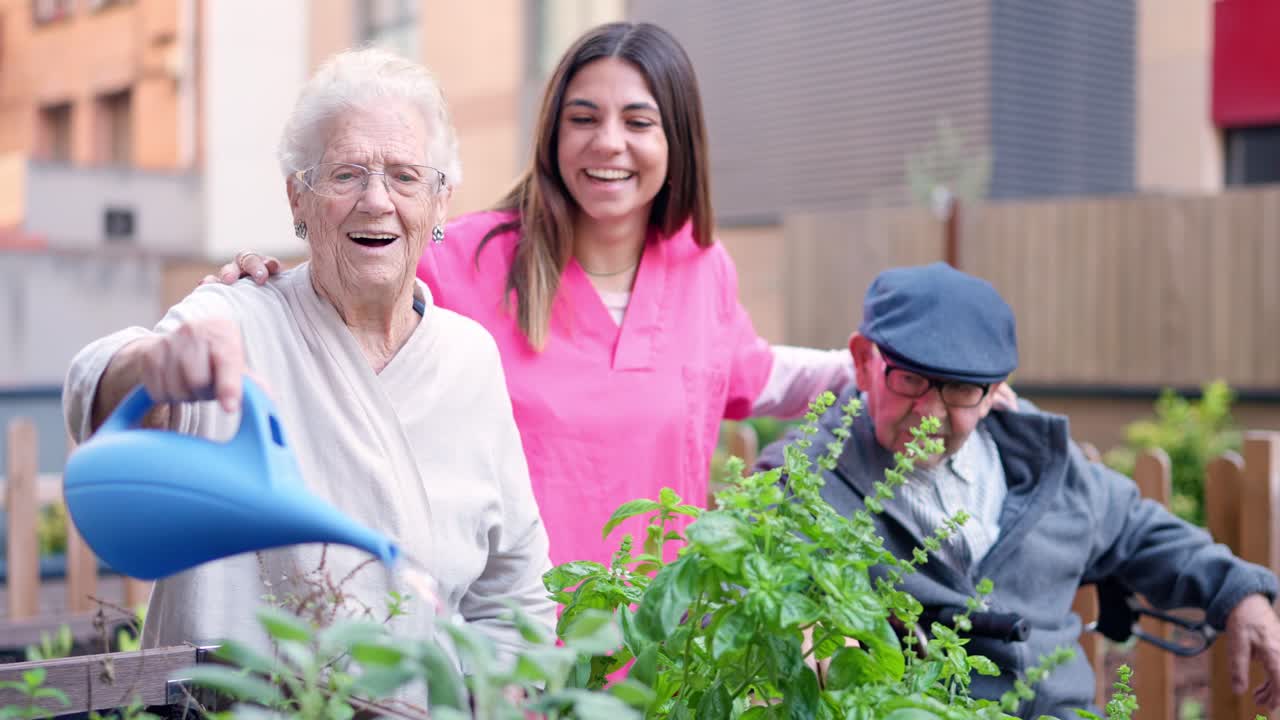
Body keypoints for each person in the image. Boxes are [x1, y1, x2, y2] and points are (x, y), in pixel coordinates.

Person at [212, 22, 866, 567]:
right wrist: (264, 289)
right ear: (553, 132)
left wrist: (874, 367)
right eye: (584, 118)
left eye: (639, 121)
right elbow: (344, 299)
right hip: (495, 648)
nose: (608, 141)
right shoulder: (464, 257)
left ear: (677, 141)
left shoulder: (701, 266)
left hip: (663, 656)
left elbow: (753, 374)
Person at [62, 49, 555, 660]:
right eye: (346, 174)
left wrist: (493, 695)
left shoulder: (469, 359)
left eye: (404, 176)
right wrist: (152, 365)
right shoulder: (238, 317)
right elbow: (95, 385)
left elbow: (514, 595)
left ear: (440, 202)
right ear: (298, 198)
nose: (377, 200)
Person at [756, 262, 1280, 718]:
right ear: (863, 359)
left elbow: (1139, 530)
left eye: (960, 388)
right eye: (911, 380)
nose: (932, 413)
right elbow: (744, 587)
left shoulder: (1040, 459)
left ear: (995, 391)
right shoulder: (803, 476)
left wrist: (1240, 594)